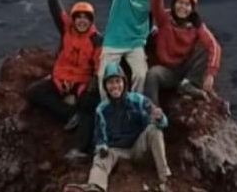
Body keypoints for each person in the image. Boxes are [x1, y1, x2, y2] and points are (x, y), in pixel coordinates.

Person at [25, 0, 102, 159]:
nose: (82, 21)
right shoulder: (67, 30)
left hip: (81, 82)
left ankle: (80, 148)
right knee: (33, 93)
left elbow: (99, 65)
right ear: (73, 19)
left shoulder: (96, 39)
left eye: (86, 18)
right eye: (78, 17)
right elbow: (57, 11)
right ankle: (69, 114)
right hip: (60, 79)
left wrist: (95, 83)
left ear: (91, 20)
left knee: (88, 106)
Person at [65, 62, 171, 192]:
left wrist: (160, 118)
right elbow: (99, 137)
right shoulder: (101, 109)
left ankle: (164, 179)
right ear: (105, 86)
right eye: (110, 82)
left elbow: (163, 123)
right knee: (100, 156)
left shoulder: (138, 100)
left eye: (117, 81)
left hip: (137, 148)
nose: (115, 86)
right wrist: (102, 147)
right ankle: (95, 187)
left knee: (155, 130)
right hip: (117, 152)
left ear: (124, 83)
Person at [144, 0, 221, 106]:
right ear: (174, 4)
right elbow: (155, 7)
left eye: (187, 4)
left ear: (192, 8)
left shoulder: (197, 25)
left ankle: (188, 84)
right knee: (152, 74)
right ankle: (153, 117)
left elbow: (214, 46)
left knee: (205, 47)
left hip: (187, 67)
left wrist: (210, 74)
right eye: (180, 2)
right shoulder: (164, 18)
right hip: (168, 71)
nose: (183, 7)